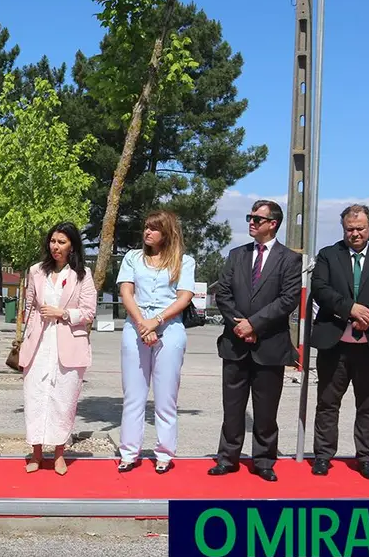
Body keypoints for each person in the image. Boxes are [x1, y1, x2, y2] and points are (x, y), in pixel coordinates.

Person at [309, 204, 369, 480]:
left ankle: (365, 458)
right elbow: (321, 289)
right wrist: (351, 309)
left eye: (360, 228)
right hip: (334, 343)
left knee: (368, 405)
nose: (355, 234)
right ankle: (323, 456)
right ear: (343, 229)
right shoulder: (328, 255)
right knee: (327, 403)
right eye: (350, 229)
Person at [209, 199, 302, 482]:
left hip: (269, 345)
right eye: (249, 217)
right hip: (235, 343)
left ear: (273, 224)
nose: (251, 222)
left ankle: (263, 460)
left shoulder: (289, 259)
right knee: (233, 407)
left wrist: (255, 325)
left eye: (257, 219)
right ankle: (228, 458)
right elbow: (223, 293)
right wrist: (239, 324)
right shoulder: (236, 255)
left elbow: (287, 300)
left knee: (265, 409)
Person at [114, 210, 196, 475]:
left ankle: (164, 452)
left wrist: (157, 320)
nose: (147, 232)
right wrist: (142, 323)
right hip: (135, 327)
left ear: (167, 232)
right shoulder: (132, 258)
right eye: (146, 228)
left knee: (165, 397)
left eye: (154, 228)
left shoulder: (184, 262)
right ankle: (128, 451)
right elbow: (126, 291)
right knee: (134, 395)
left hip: (169, 329)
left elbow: (183, 297)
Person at [18, 222, 97, 476]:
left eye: (62, 242)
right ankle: (37, 453)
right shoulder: (36, 271)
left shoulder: (83, 275)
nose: (56, 246)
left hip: (68, 345)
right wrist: (28, 333)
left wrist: (63, 313)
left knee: (63, 400)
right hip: (39, 345)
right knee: (36, 398)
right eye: (53, 241)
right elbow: (28, 306)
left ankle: (60, 453)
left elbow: (89, 312)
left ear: (72, 245)